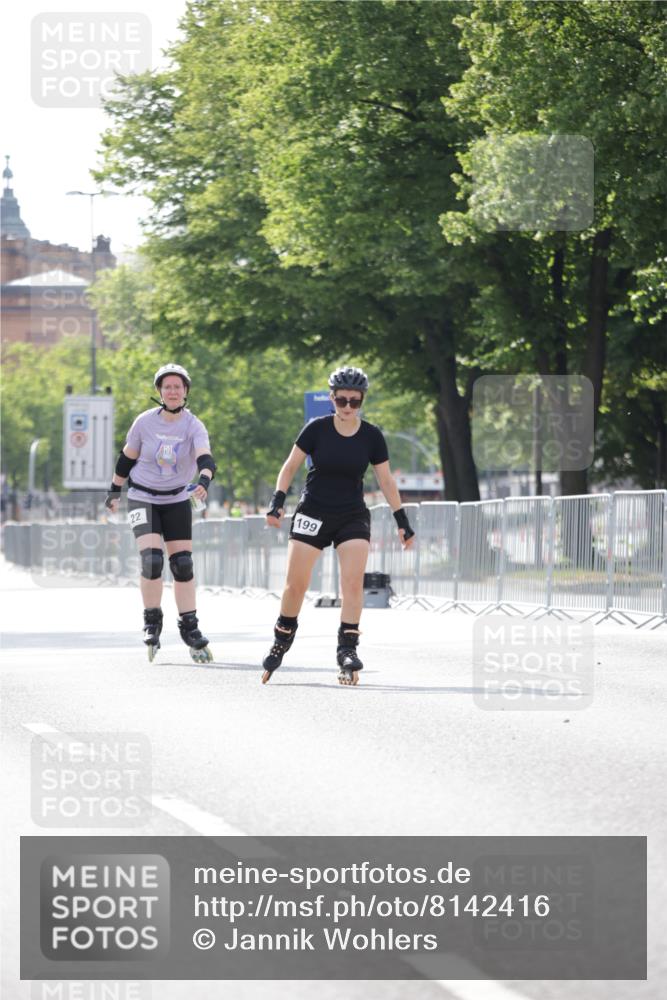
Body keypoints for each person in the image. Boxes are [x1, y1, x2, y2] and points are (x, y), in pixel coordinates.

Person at [261, 365, 415, 686]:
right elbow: (289, 468)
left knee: (352, 583)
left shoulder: (372, 436)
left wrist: (402, 520)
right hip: (313, 511)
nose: (347, 407)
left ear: (362, 401)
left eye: (354, 402)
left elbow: (385, 480)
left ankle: (347, 649)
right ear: (331, 398)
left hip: (351, 514)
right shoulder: (316, 429)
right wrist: (277, 502)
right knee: (296, 585)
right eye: (341, 400)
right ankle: (282, 638)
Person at [104, 363, 217, 663]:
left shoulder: (194, 425)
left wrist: (203, 481)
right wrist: (114, 490)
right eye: (167, 386)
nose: (172, 391)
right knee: (152, 561)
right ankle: (152, 621)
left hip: (178, 498)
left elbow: (206, 458)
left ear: (185, 391)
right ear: (159, 392)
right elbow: (126, 459)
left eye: (178, 386)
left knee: (182, 564)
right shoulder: (144, 422)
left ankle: (190, 627)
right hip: (142, 497)